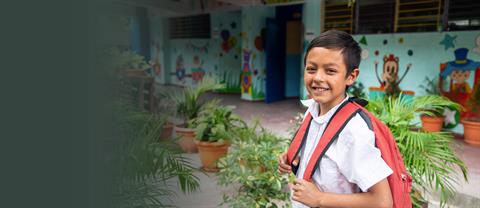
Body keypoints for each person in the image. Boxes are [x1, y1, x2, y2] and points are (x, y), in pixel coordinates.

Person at [278, 30, 393, 208]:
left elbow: (382, 201)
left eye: (330, 71)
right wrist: (295, 157)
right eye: (311, 69)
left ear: (351, 77)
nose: (317, 78)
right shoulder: (313, 109)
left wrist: (319, 199)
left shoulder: (353, 131)